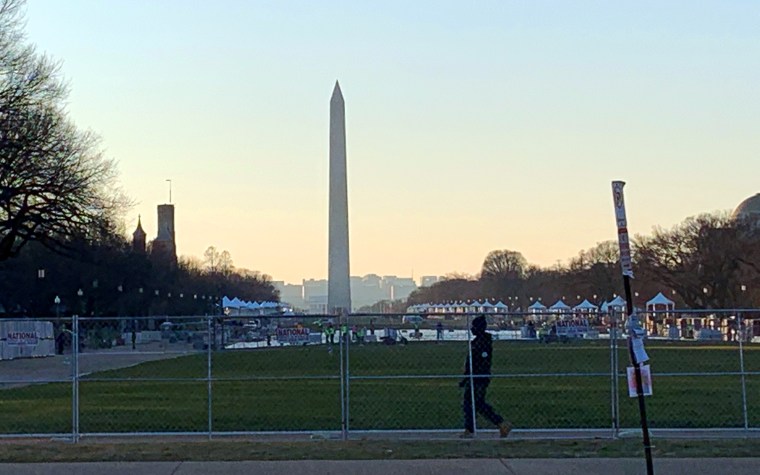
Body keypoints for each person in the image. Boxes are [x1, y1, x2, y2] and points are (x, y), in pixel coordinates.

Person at [459, 315, 512, 438]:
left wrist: (476, 375)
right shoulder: (476, 342)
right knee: (469, 403)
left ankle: (500, 423)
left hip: (479, 378)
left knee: (477, 403)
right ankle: (470, 428)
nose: (472, 329)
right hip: (472, 377)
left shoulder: (483, 343)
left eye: (474, 327)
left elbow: (482, 361)